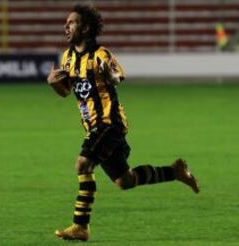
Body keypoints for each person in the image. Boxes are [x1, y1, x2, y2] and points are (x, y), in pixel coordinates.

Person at [47, 4, 199, 241]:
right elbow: (67, 92)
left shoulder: (101, 55)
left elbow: (117, 77)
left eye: (72, 22)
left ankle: (81, 226)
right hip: (94, 127)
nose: (66, 26)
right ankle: (176, 172)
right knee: (125, 181)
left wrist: (111, 77)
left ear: (85, 28)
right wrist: (54, 84)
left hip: (109, 123)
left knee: (82, 164)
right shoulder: (67, 58)